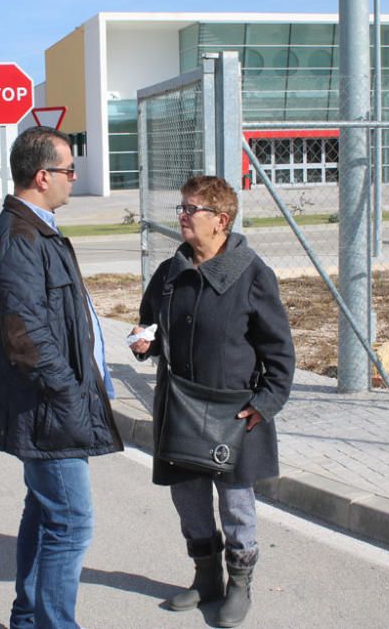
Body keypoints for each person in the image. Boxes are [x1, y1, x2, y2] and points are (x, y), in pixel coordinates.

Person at [0, 126, 124, 629]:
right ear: (42, 176)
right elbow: (26, 337)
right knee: (71, 523)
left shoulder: (34, 227)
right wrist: (70, 392)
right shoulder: (20, 236)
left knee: (44, 511)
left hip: (51, 405)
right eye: (68, 171)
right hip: (48, 408)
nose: (73, 180)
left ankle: (27, 617)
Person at [128, 175, 295, 628]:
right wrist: (144, 341)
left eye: (192, 209)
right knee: (189, 498)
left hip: (233, 412)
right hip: (179, 408)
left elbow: (279, 350)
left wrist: (265, 404)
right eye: (181, 207)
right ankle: (206, 578)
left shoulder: (252, 274)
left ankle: (239, 585)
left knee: (236, 502)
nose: (182, 215)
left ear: (220, 221)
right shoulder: (170, 272)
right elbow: (150, 324)